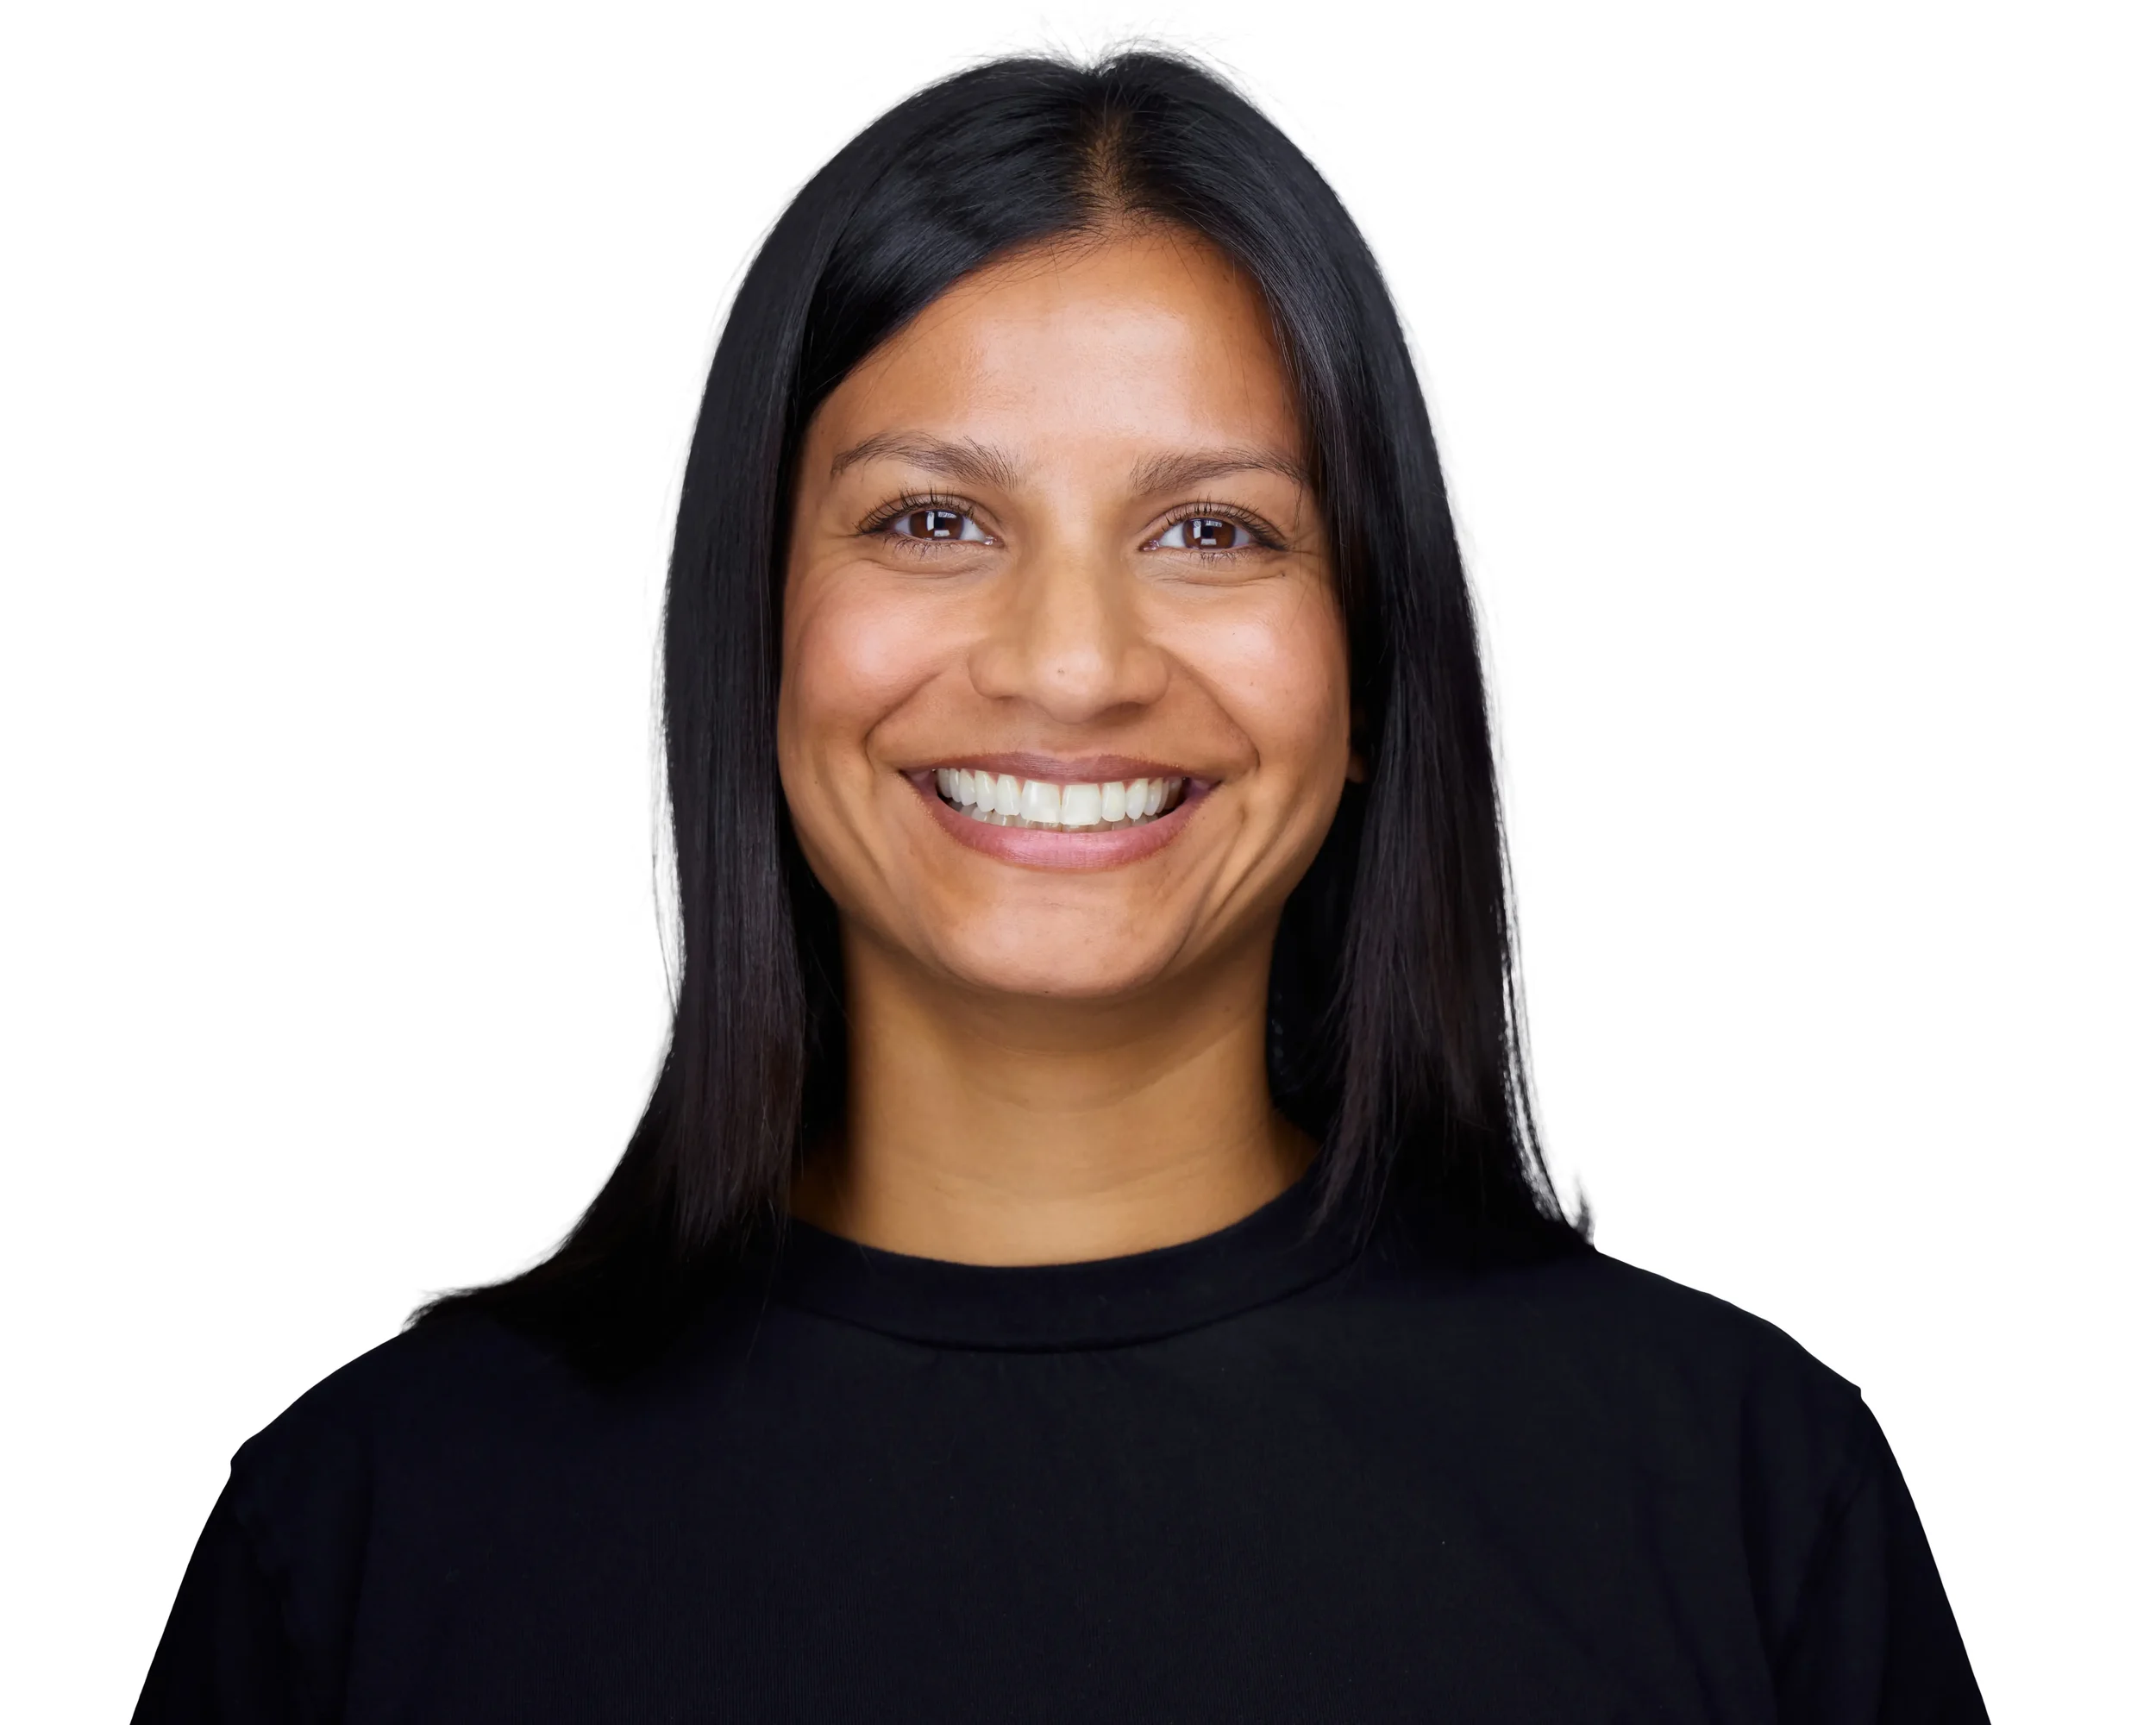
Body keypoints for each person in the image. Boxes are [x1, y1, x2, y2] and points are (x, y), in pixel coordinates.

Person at [134, 50, 1987, 1722]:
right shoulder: (369, 1538)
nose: (1073, 663)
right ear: (756, 637)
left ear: (1366, 671)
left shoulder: (1740, 1499)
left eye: (1213, 529)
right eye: (933, 519)